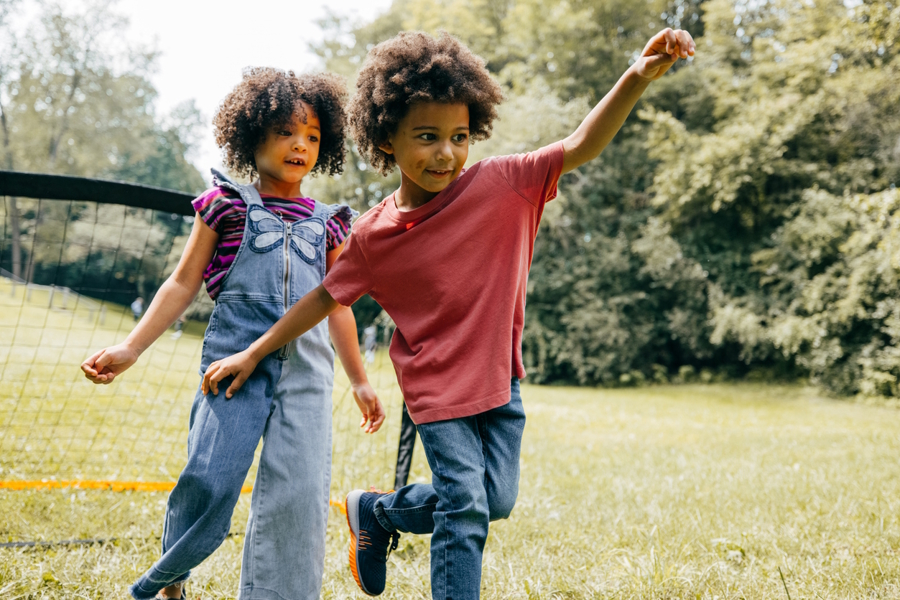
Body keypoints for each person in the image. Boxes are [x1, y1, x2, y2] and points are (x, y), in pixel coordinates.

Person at [201, 28, 695, 600]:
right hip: (436, 389)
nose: (446, 153)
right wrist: (254, 350)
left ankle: (380, 515)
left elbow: (582, 144)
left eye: (459, 136)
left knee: (495, 501)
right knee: (465, 510)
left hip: (500, 382)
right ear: (388, 138)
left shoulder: (505, 184)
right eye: (428, 136)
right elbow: (323, 298)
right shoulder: (373, 236)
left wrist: (637, 74)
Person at [80, 68, 385, 600]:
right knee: (210, 478)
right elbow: (181, 284)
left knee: (299, 494)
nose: (301, 146)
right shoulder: (224, 204)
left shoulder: (332, 222)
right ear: (252, 135)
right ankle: (171, 577)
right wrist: (131, 346)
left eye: (313, 136)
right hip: (230, 367)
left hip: (308, 373)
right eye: (287, 132)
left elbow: (338, 307)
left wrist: (358, 380)